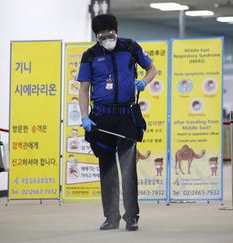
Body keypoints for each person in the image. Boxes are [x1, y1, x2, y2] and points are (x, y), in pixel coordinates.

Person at [77, 14, 157, 231]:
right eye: (101, 35)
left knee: (128, 168)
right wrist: (84, 116)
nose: (106, 37)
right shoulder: (90, 55)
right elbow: (83, 88)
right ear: (96, 36)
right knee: (107, 169)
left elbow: (152, 69)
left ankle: (132, 217)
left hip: (126, 118)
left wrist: (144, 82)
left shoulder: (131, 47)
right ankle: (111, 217)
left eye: (109, 33)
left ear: (117, 30)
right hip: (102, 118)